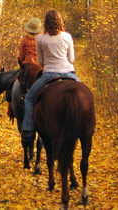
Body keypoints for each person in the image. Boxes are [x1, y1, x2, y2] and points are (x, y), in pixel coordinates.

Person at [21, 10, 80, 140]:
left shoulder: (40, 38)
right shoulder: (67, 36)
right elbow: (71, 59)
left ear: (46, 23)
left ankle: (28, 129)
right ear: (60, 21)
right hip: (69, 73)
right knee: (86, 97)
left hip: (49, 75)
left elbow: (41, 62)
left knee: (29, 98)